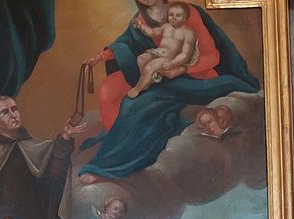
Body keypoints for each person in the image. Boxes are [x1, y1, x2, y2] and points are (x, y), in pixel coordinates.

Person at [79, 0, 259, 182]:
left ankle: (109, 164)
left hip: (193, 79)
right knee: (108, 89)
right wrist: (99, 57)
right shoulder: (141, 19)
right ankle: (117, 140)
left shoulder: (185, 13)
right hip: (157, 75)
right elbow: (125, 45)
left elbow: (212, 56)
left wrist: (182, 69)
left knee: (135, 105)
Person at [128, 3, 198, 99]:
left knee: (149, 67)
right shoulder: (166, 26)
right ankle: (148, 80)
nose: (173, 18)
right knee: (141, 59)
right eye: (171, 15)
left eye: (178, 15)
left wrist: (172, 63)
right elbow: (152, 33)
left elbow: (185, 54)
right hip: (157, 52)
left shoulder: (188, 33)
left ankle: (137, 88)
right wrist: (141, 26)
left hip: (169, 58)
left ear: (185, 18)